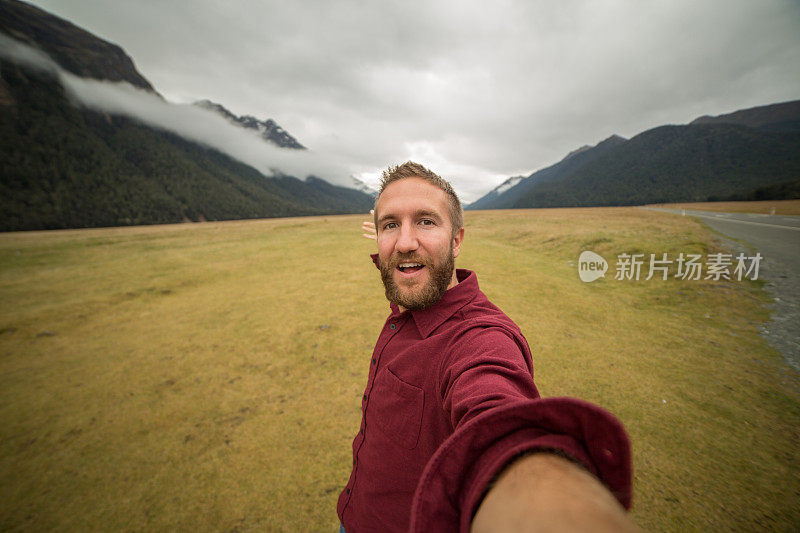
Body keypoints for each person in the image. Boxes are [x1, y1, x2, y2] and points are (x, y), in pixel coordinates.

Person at [339, 162, 636, 532]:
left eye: (427, 222)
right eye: (390, 225)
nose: (404, 242)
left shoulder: (480, 339)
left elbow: (499, 423)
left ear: (457, 240)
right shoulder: (409, 297)